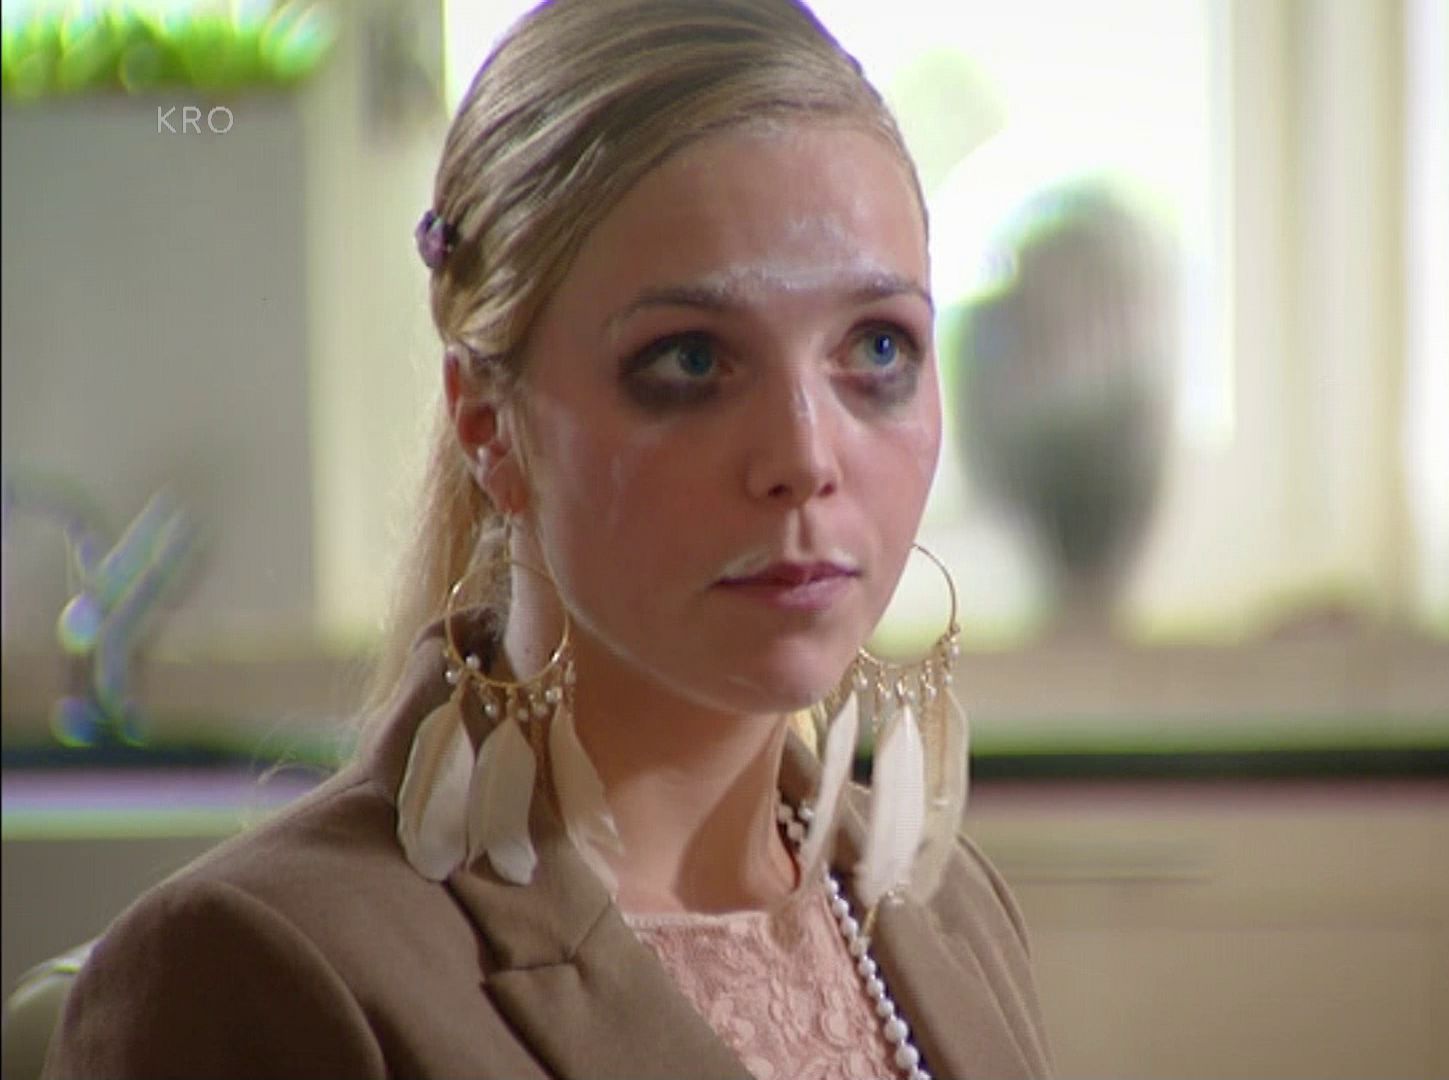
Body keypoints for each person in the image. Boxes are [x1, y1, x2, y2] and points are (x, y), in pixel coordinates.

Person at [44, 1, 1053, 1076]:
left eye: (878, 347)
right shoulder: (253, 966)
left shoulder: (947, 911)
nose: (806, 456)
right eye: (692, 361)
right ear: (489, 421)